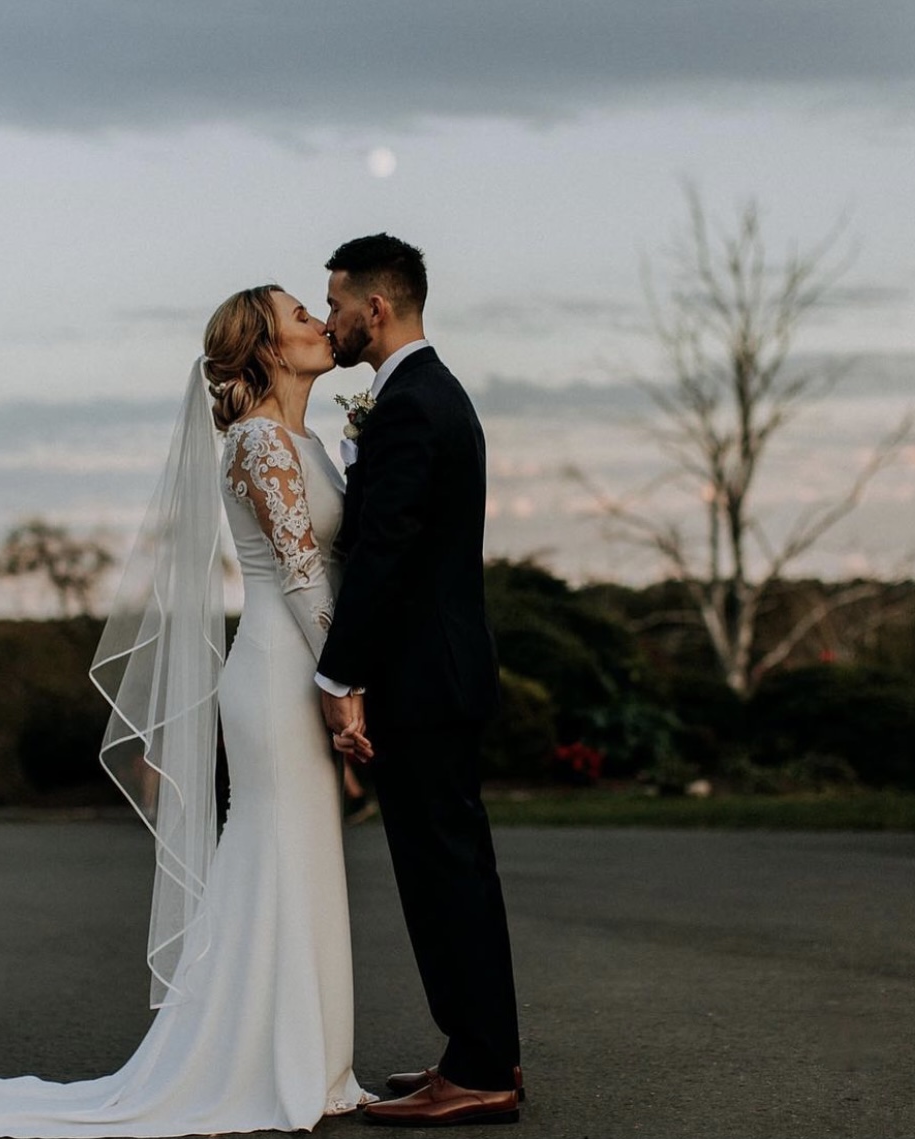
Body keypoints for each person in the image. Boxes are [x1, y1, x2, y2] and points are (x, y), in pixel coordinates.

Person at [0, 285, 373, 1136]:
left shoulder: (300, 438)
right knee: (277, 849)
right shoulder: (260, 441)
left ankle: (309, 1059)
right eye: (300, 315)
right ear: (266, 347)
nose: (318, 323)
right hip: (278, 669)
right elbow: (301, 576)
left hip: (304, 663)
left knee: (302, 854)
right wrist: (348, 681)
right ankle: (264, 1062)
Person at [316, 234, 524, 1126]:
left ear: (376, 307)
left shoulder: (410, 407)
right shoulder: (427, 394)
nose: (327, 322)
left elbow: (385, 554)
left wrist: (340, 672)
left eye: (334, 304)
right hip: (441, 675)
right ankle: (475, 1053)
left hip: (423, 683)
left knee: (446, 877)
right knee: (451, 873)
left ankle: (480, 1068)